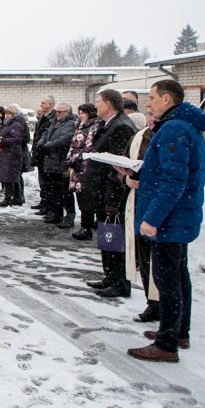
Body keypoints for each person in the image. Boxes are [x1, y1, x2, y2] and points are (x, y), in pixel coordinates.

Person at [127, 80, 205, 363]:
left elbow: (174, 182)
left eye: (151, 98)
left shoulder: (175, 129)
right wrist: (139, 175)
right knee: (178, 274)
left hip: (169, 219)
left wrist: (152, 218)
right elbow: (165, 172)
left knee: (168, 280)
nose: (147, 103)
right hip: (179, 216)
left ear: (166, 99)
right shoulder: (180, 126)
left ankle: (167, 344)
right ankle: (178, 331)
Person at [84, 89, 137, 298]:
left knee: (114, 239)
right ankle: (110, 276)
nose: (96, 106)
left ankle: (120, 281)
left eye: (98, 102)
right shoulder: (108, 124)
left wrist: (112, 199)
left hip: (111, 194)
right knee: (107, 238)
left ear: (108, 104)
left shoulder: (121, 126)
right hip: (102, 191)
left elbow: (118, 166)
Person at [118, 111, 159, 323]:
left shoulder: (166, 137)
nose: (152, 117)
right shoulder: (138, 137)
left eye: (155, 113)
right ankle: (151, 303)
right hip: (138, 202)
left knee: (157, 261)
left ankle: (162, 305)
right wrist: (127, 178)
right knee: (144, 258)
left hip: (157, 206)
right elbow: (125, 165)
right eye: (149, 113)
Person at [35, 103, 77, 225]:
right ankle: (56, 214)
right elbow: (45, 134)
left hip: (61, 161)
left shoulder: (71, 124)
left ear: (67, 113)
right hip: (51, 161)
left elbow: (65, 138)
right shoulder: (55, 122)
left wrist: (48, 145)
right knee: (54, 191)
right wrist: (42, 142)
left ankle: (69, 216)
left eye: (60, 112)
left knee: (65, 191)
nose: (57, 113)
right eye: (57, 111)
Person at [66, 103, 99, 239]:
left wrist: (75, 158)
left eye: (83, 113)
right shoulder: (79, 126)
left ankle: (87, 227)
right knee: (80, 197)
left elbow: (88, 147)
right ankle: (85, 225)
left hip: (85, 167)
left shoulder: (94, 126)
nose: (80, 116)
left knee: (87, 199)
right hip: (76, 167)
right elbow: (74, 144)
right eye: (79, 113)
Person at [0, 103, 28, 206]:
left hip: (12, 153)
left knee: (9, 176)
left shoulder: (16, 124)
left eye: (9, 113)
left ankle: (8, 198)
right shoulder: (11, 123)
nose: (7, 115)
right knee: (13, 176)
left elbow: (17, 139)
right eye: (7, 113)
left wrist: (3, 140)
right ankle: (17, 198)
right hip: (9, 153)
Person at [31, 95, 57, 215]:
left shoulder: (52, 118)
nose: (40, 105)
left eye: (43, 103)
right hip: (40, 153)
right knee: (42, 180)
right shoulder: (44, 117)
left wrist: (42, 146)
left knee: (47, 181)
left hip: (47, 154)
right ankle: (44, 201)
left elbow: (47, 135)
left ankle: (48, 205)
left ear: (50, 105)